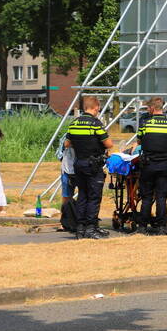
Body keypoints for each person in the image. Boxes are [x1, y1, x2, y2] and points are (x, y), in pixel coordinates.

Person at [65, 96, 113, 240]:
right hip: (93, 165)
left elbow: (67, 144)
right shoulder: (95, 124)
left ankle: (80, 228)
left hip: (79, 164)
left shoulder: (74, 123)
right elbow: (109, 144)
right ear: (96, 107)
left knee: (82, 196)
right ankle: (91, 228)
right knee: (94, 197)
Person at [135, 97, 167, 235]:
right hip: (164, 165)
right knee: (161, 197)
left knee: (147, 197)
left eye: (148, 108)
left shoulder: (145, 124)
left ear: (152, 108)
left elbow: (139, 141)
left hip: (148, 164)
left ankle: (142, 227)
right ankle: (161, 227)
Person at [56, 132, 78, 233]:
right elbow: (64, 146)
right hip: (68, 169)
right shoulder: (68, 134)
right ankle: (64, 222)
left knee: (84, 196)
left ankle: (80, 220)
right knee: (66, 196)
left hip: (83, 168)